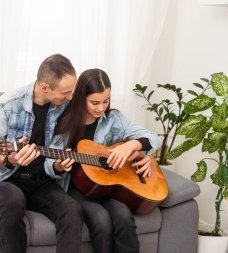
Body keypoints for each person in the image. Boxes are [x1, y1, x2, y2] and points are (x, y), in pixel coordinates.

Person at [0, 54, 83, 253]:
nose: (71, 97)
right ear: (45, 87)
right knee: (12, 202)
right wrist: (9, 159)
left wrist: (57, 165)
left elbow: (54, 158)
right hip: (6, 179)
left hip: (43, 182)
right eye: (66, 92)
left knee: (72, 210)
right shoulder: (8, 104)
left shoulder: (65, 107)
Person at [51, 68, 161, 253]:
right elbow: (50, 159)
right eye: (94, 102)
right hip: (75, 187)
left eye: (106, 101)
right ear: (80, 98)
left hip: (107, 186)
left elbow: (153, 137)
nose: (101, 108)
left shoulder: (113, 118)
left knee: (124, 217)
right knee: (101, 220)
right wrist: (58, 166)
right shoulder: (63, 120)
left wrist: (132, 145)